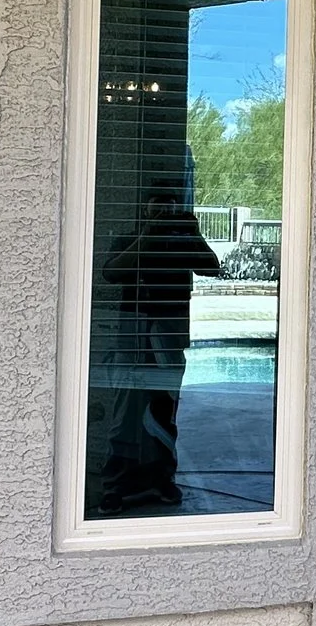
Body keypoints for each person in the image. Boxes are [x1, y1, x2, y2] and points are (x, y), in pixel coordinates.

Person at [96, 186, 223, 510]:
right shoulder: (132, 239)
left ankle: (162, 479)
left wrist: (193, 234)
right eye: (157, 212)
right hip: (132, 337)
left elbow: (211, 266)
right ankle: (116, 484)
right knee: (125, 413)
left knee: (164, 411)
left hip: (168, 336)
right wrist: (148, 235)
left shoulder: (182, 241)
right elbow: (112, 272)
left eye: (170, 211)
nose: (164, 218)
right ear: (144, 213)